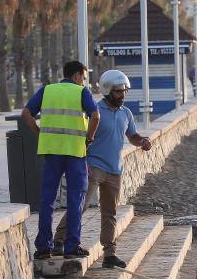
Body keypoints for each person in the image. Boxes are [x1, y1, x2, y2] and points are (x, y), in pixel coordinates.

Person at [52, 70, 152, 268]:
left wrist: (143, 142)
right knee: (80, 206)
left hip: (115, 171)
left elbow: (132, 136)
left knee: (110, 213)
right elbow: (81, 139)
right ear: (107, 91)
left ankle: (109, 254)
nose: (122, 95)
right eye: (118, 91)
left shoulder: (126, 113)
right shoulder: (94, 111)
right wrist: (83, 163)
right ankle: (59, 240)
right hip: (93, 167)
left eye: (124, 91)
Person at [22, 61, 100, 260]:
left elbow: (26, 114)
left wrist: (40, 134)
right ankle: (71, 246)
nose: (83, 81)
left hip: (51, 151)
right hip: (75, 152)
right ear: (76, 76)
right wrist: (89, 138)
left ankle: (43, 247)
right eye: (83, 77)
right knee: (75, 199)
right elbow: (96, 116)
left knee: (47, 200)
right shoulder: (82, 93)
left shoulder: (46, 91)